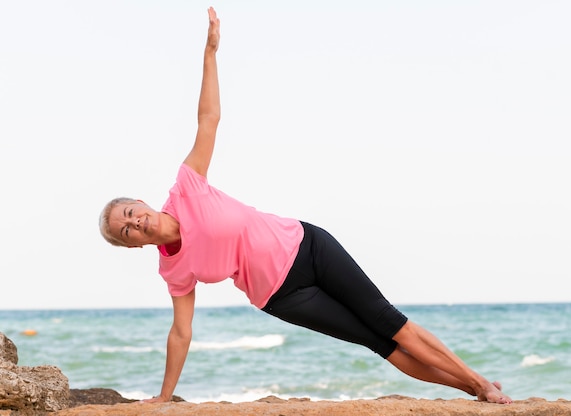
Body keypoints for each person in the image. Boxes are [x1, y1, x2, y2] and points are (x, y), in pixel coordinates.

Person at [99, 7, 512, 405]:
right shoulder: (173, 268)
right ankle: (472, 389)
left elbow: (209, 118)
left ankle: (478, 381)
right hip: (282, 297)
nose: (135, 223)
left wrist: (209, 54)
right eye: (126, 230)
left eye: (130, 213)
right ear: (133, 246)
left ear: (140, 201)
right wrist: (166, 396)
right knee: (377, 342)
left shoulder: (186, 185)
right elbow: (180, 332)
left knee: (386, 320)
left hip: (307, 245)